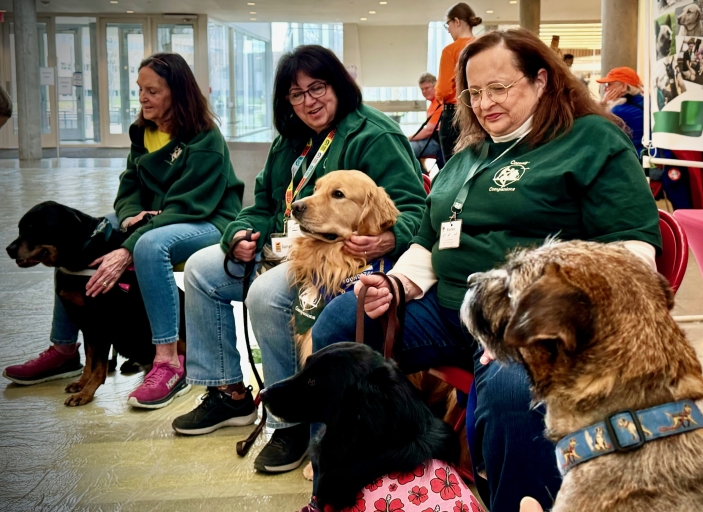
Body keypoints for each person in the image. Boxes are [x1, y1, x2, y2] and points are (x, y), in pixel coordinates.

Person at [310, 29, 661, 511]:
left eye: (498, 88)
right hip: (453, 306)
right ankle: (347, 484)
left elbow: (631, 254)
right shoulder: (472, 152)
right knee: (338, 324)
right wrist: (398, 283)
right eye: (474, 93)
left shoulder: (592, 140)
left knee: (517, 393)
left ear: (542, 81)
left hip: (533, 318)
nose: (484, 104)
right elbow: (434, 236)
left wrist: (544, 322)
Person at [170, 45, 427, 474]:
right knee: (200, 270)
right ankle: (228, 394)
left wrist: (387, 238)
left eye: (317, 88)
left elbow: (415, 209)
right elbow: (262, 205)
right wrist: (238, 235)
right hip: (283, 249)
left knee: (267, 296)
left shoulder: (373, 134)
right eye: (296, 94)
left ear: (338, 85)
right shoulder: (289, 140)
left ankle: (291, 422)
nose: (309, 101)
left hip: (339, 261)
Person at [3, 53, 244, 411]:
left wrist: (132, 239)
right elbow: (128, 186)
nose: (143, 98)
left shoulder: (204, 139)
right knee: (83, 236)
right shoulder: (143, 131)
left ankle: (167, 360)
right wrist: (130, 216)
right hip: (155, 217)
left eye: (153, 91)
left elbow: (190, 204)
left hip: (207, 220)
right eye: (140, 90)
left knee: (149, 247)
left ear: (177, 93)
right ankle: (64, 348)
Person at [436, 2, 482, 163]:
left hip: (455, 113)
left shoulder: (451, 50)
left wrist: (439, 96)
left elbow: (443, 90)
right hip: (479, 111)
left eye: (447, 24)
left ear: (456, 21)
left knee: (452, 168)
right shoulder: (483, 45)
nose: (448, 29)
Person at [598, 67, 645, 156]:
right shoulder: (645, 102)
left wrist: (603, 104)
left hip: (631, 159)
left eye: (608, 84)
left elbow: (595, 128)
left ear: (624, 86)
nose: (605, 89)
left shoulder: (619, 111)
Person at [408, 72, 444, 167]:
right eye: (422, 89)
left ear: (435, 86)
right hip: (432, 140)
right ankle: (421, 175)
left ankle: (421, 178)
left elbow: (429, 131)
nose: (424, 91)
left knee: (407, 149)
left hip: (438, 143)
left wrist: (409, 138)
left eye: (427, 88)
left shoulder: (440, 103)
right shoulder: (432, 105)